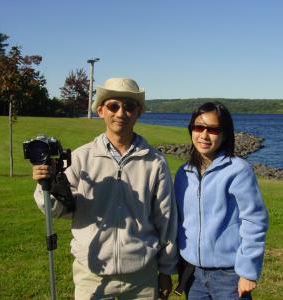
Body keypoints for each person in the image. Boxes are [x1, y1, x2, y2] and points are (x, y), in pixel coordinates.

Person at [32, 78, 178, 300]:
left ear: (138, 112)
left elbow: (166, 218)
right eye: (113, 106)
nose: (121, 113)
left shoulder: (155, 162)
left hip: (142, 277)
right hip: (92, 275)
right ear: (101, 110)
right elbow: (58, 211)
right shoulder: (80, 158)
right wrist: (46, 185)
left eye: (129, 106)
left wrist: (166, 270)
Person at [174, 102, 269, 299]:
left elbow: (254, 221)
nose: (204, 135)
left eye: (213, 129)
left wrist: (248, 271)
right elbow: (178, 220)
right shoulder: (183, 173)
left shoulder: (238, 170)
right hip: (193, 274)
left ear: (225, 133)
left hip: (229, 276)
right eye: (199, 127)